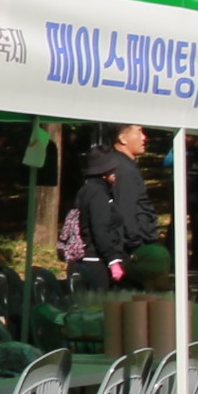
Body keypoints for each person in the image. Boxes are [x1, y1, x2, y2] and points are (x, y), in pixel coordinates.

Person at [70, 122, 157, 290]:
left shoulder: (122, 167)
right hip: (123, 252)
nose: (144, 137)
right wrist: (133, 249)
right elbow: (126, 212)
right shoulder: (122, 171)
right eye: (139, 132)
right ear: (122, 138)